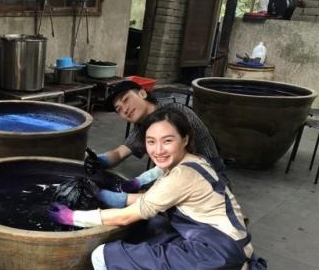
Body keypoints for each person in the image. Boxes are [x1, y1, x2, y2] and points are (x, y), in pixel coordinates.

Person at [50, 106, 271, 270]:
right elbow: (149, 193)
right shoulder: (195, 162)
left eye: (168, 141)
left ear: (185, 139)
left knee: (103, 256)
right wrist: (109, 193)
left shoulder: (182, 176)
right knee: (156, 226)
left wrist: (73, 216)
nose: (158, 149)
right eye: (151, 142)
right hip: (231, 258)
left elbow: (126, 217)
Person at [84, 80, 223, 208]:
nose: (124, 109)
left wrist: (120, 195)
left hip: (209, 179)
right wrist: (98, 160)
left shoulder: (175, 114)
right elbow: (121, 152)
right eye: (119, 109)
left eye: (126, 100)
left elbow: (180, 170)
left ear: (143, 93)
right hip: (179, 176)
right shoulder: (143, 125)